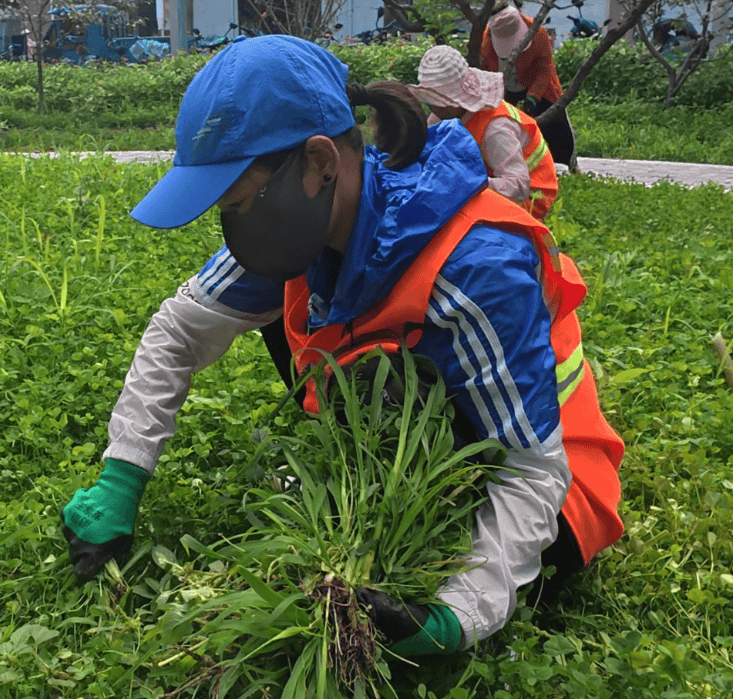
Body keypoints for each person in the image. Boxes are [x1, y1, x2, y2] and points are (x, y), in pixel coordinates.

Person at [60, 35, 623, 657]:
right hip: (415, 447)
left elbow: (531, 469)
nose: (234, 225)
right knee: (290, 303)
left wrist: (458, 616)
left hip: (548, 475)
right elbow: (180, 331)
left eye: (238, 202)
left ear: (320, 162)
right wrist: (121, 475)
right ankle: (378, 477)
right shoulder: (303, 223)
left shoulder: (474, 268)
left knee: (513, 540)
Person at [409, 45, 558, 220]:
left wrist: (465, 183)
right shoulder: (444, 114)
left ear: (456, 100)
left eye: (436, 101)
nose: (431, 107)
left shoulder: (496, 129)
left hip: (530, 200)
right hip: (487, 180)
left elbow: (517, 186)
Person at [482, 4, 579, 171]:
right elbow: (487, 73)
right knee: (503, 129)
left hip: (538, 84)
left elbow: (544, 68)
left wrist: (534, 96)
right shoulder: (486, 43)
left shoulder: (538, 33)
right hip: (504, 85)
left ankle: (567, 166)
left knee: (556, 125)